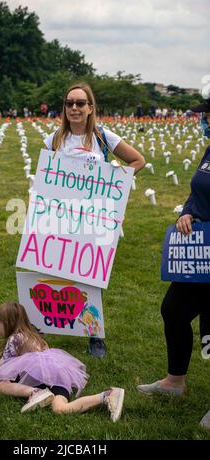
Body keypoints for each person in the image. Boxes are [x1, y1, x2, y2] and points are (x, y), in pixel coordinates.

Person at [43, 82, 145, 358]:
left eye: (80, 103)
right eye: (69, 103)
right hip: (61, 218)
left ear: (90, 108)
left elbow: (138, 161)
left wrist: (114, 182)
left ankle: (95, 335)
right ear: (64, 108)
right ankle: (43, 323)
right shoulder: (53, 139)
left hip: (94, 217)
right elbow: (46, 178)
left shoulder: (103, 136)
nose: (74, 108)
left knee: (90, 277)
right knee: (54, 270)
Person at [137, 98, 210, 430]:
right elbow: (198, 193)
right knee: (175, 310)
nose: (204, 120)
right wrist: (186, 213)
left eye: (207, 115)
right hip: (201, 252)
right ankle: (174, 382)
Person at [0, 301, 125, 420]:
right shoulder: (33, 336)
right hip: (59, 376)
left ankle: (35, 393)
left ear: (8, 323)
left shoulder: (14, 339)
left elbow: (2, 370)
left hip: (42, 379)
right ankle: (107, 395)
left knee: (1, 385)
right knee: (60, 409)